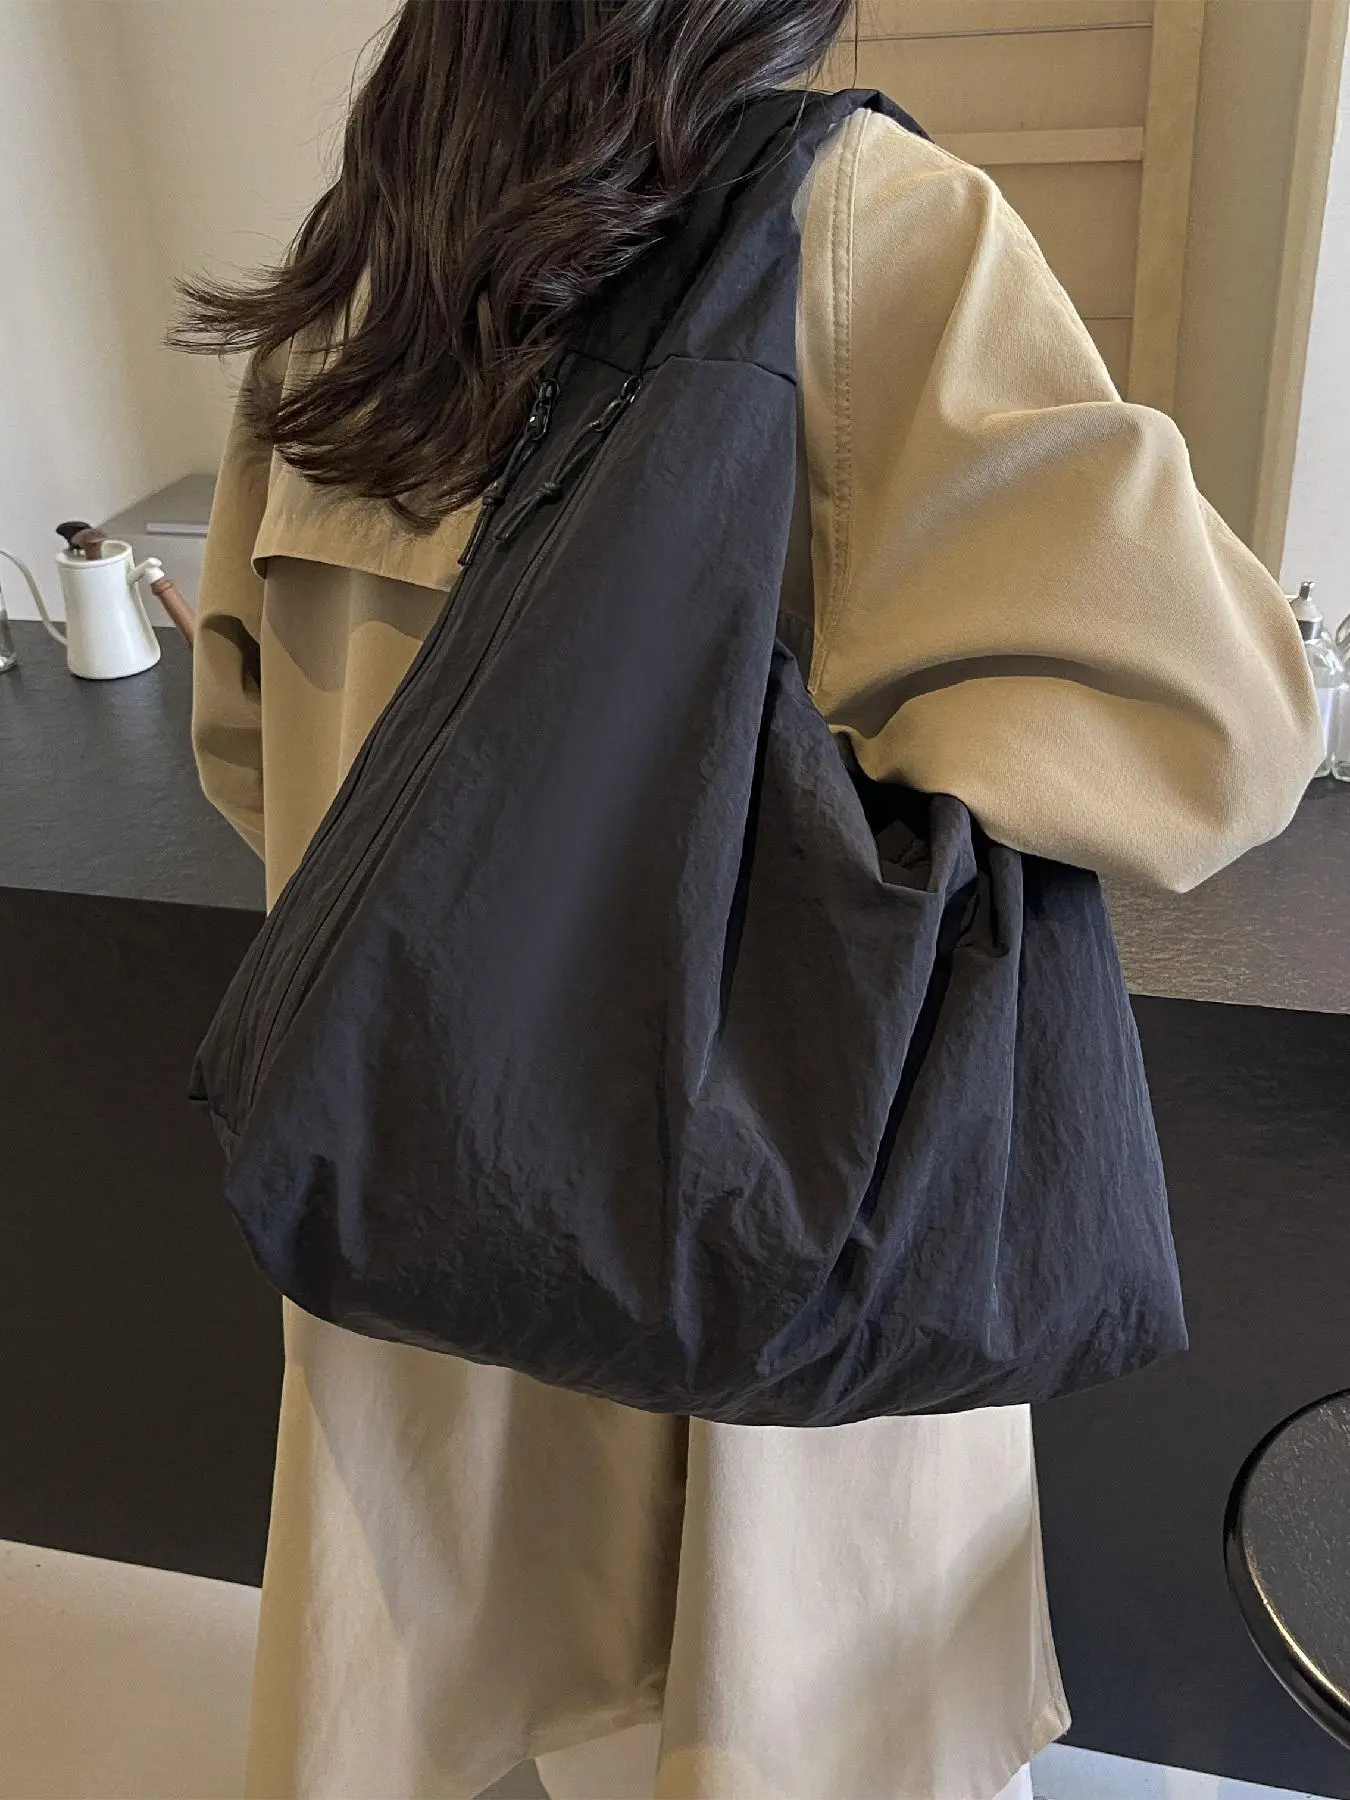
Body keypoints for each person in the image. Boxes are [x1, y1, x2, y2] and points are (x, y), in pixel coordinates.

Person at [182, 3, 1321, 1796]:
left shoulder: (355, 275)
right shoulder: (859, 222)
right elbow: (1217, 729)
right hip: (758, 1224)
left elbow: (245, 748)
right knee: (763, 1711)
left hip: (412, 1183)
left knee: (451, 1679)